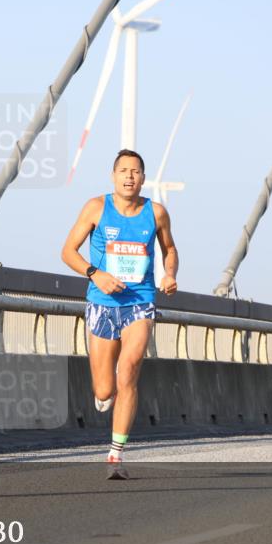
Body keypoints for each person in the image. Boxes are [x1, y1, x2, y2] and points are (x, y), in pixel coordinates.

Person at [61, 149, 179, 479]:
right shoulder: (96, 208)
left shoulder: (156, 213)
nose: (129, 176)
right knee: (103, 390)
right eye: (123, 170)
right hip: (101, 303)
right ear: (113, 176)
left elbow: (170, 250)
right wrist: (94, 273)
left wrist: (169, 274)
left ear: (144, 178)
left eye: (136, 171)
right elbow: (67, 251)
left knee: (129, 369)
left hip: (139, 302)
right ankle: (105, 394)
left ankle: (115, 455)